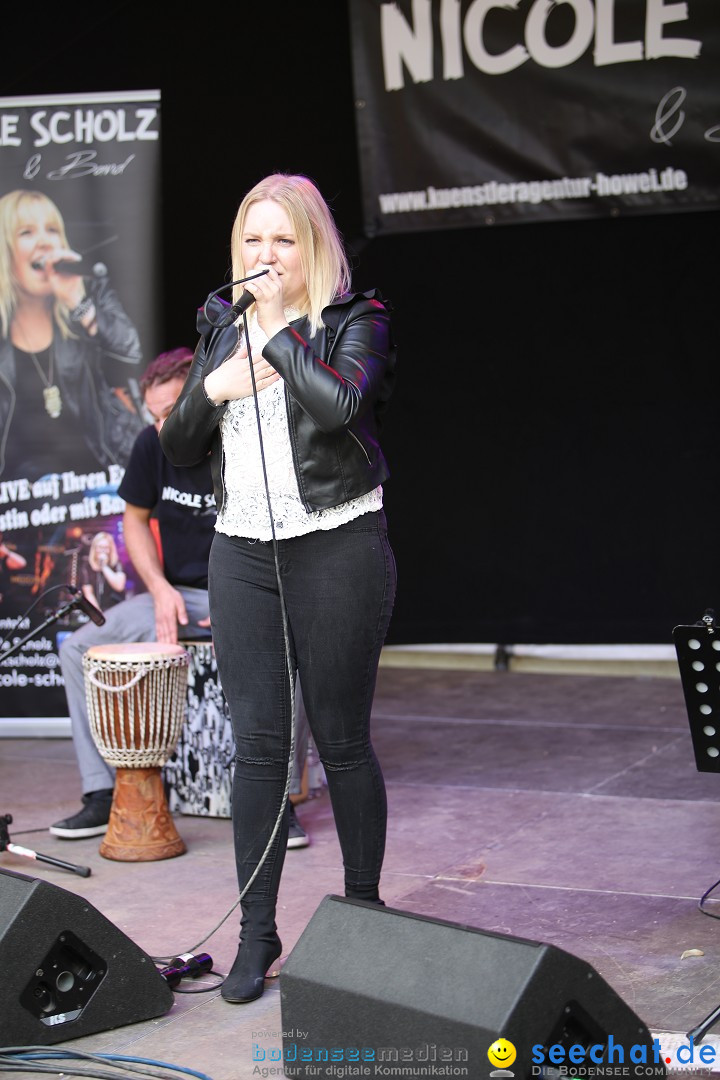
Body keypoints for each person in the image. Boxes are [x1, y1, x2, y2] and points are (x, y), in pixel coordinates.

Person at [159, 173, 397, 1004]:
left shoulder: (354, 321)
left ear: (312, 247)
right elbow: (181, 444)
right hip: (243, 554)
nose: (265, 256)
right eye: (252, 241)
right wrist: (212, 381)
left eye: (282, 240)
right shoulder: (218, 327)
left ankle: (364, 912)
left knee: (340, 742)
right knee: (257, 749)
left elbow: (337, 409)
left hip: (336, 544)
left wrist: (277, 340)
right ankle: (254, 935)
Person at [51, 347, 312, 845]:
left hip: (250, 590)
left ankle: (278, 802)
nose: (163, 424)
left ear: (205, 390)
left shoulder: (249, 435)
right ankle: (102, 795)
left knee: (289, 652)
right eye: (154, 415)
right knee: (77, 648)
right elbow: (134, 520)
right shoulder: (154, 445)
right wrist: (159, 587)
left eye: (171, 410)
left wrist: (244, 597)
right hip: (175, 597)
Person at [0, 189, 144, 481]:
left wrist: (78, 302)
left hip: (97, 487)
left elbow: (131, 351)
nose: (44, 242)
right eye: (26, 232)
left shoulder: (89, 292)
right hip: (16, 506)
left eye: (52, 230)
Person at [77, 530, 126, 612]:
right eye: (100, 547)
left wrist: (104, 567)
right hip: (97, 611)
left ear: (111, 549)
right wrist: (98, 613)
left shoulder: (117, 563)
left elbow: (119, 586)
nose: (102, 550)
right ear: (95, 548)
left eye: (106, 547)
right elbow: (88, 593)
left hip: (116, 609)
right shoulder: (87, 566)